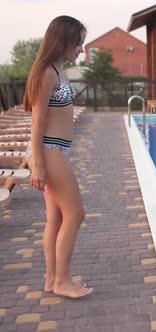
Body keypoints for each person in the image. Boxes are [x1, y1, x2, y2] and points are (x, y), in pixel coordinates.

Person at [23, 16, 93, 298]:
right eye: (78, 44)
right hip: (48, 150)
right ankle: (63, 280)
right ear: (62, 41)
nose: (80, 50)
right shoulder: (46, 72)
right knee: (75, 213)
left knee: (55, 218)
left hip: (55, 149)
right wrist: (37, 162)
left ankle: (52, 280)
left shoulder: (58, 69)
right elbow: (37, 120)